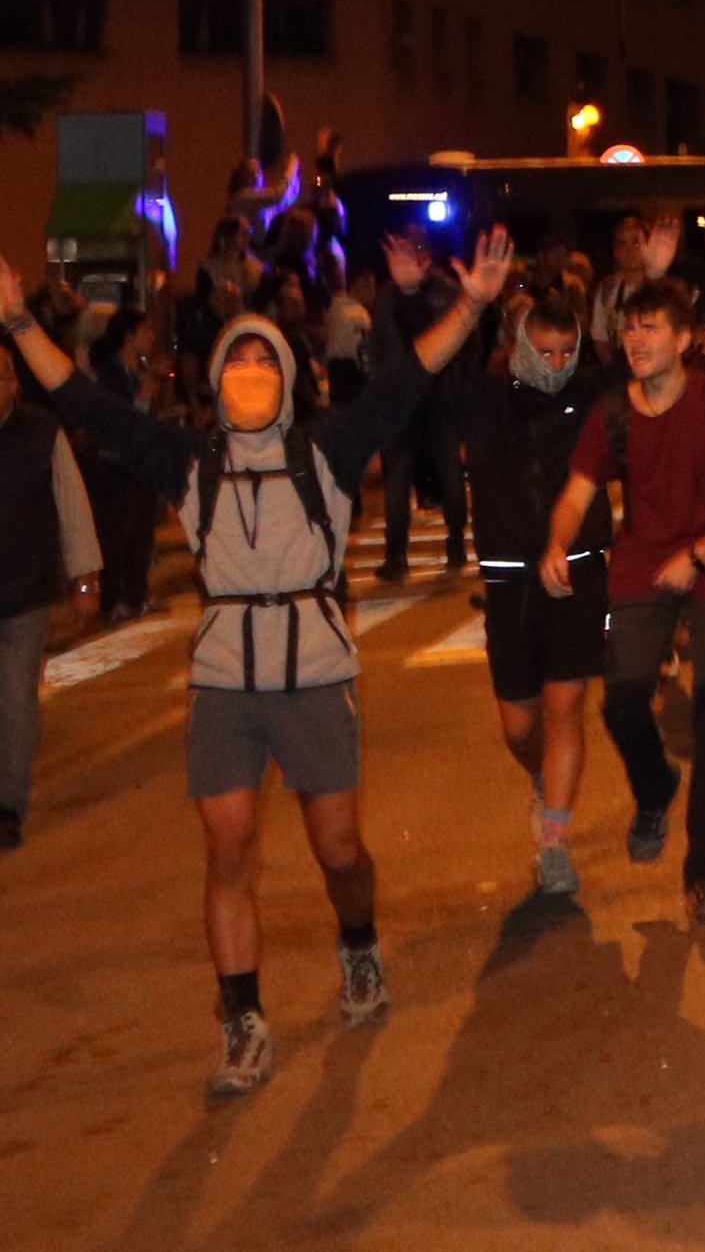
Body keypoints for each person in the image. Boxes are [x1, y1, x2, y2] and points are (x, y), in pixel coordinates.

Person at [6, 241, 444, 1096]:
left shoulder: (328, 450)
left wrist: (462, 303)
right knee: (229, 842)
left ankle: (358, 945)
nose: (249, 368)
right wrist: (18, 320)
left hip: (314, 670)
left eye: (263, 357)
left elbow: (404, 385)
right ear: (215, 377)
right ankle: (241, 1019)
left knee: (339, 847)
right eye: (235, 357)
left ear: (286, 373)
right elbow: (83, 401)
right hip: (223, 678)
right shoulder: (189, 459)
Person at [544, 272, 705, 927]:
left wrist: (703, 553)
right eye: (629, 326)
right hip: (644, 562)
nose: (636, 339)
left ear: (685, 338)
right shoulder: (613, 414)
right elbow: (576, 492)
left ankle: (703, 870)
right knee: (622, 698)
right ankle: (654, 789)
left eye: (651, 327)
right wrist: (555, 542)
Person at [435, 258, 611, 898]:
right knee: (519, 725)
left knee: (567, 707)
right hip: (510, 578)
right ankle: (544, 784)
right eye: (546, 351)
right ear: (519, 345)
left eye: (568, 351)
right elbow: (426, 371)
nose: (558, 363)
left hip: (578, 569)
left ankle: (555, 841)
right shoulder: (485, 398)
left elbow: (642, 364)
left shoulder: (591, 394)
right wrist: (460, 301)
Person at [0, 279, 100, 853]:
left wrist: (84, 580)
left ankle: (8, 804)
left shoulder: (41, 433)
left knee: (15, 702)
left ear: (13, 381)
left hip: (24, 594)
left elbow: (72, 507)